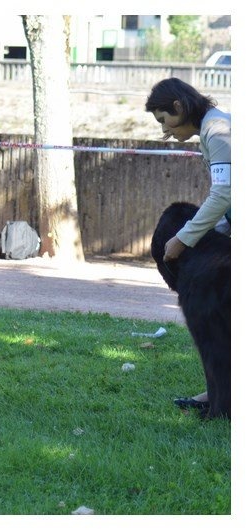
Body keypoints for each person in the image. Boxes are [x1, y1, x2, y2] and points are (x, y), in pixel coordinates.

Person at [145, 77, 231, 412]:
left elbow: (223, 194)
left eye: (164, 120)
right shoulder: (216, 128)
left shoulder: (217, 131)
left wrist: (183, 238)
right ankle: (220, 394)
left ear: (179, 108)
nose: (165, 130)